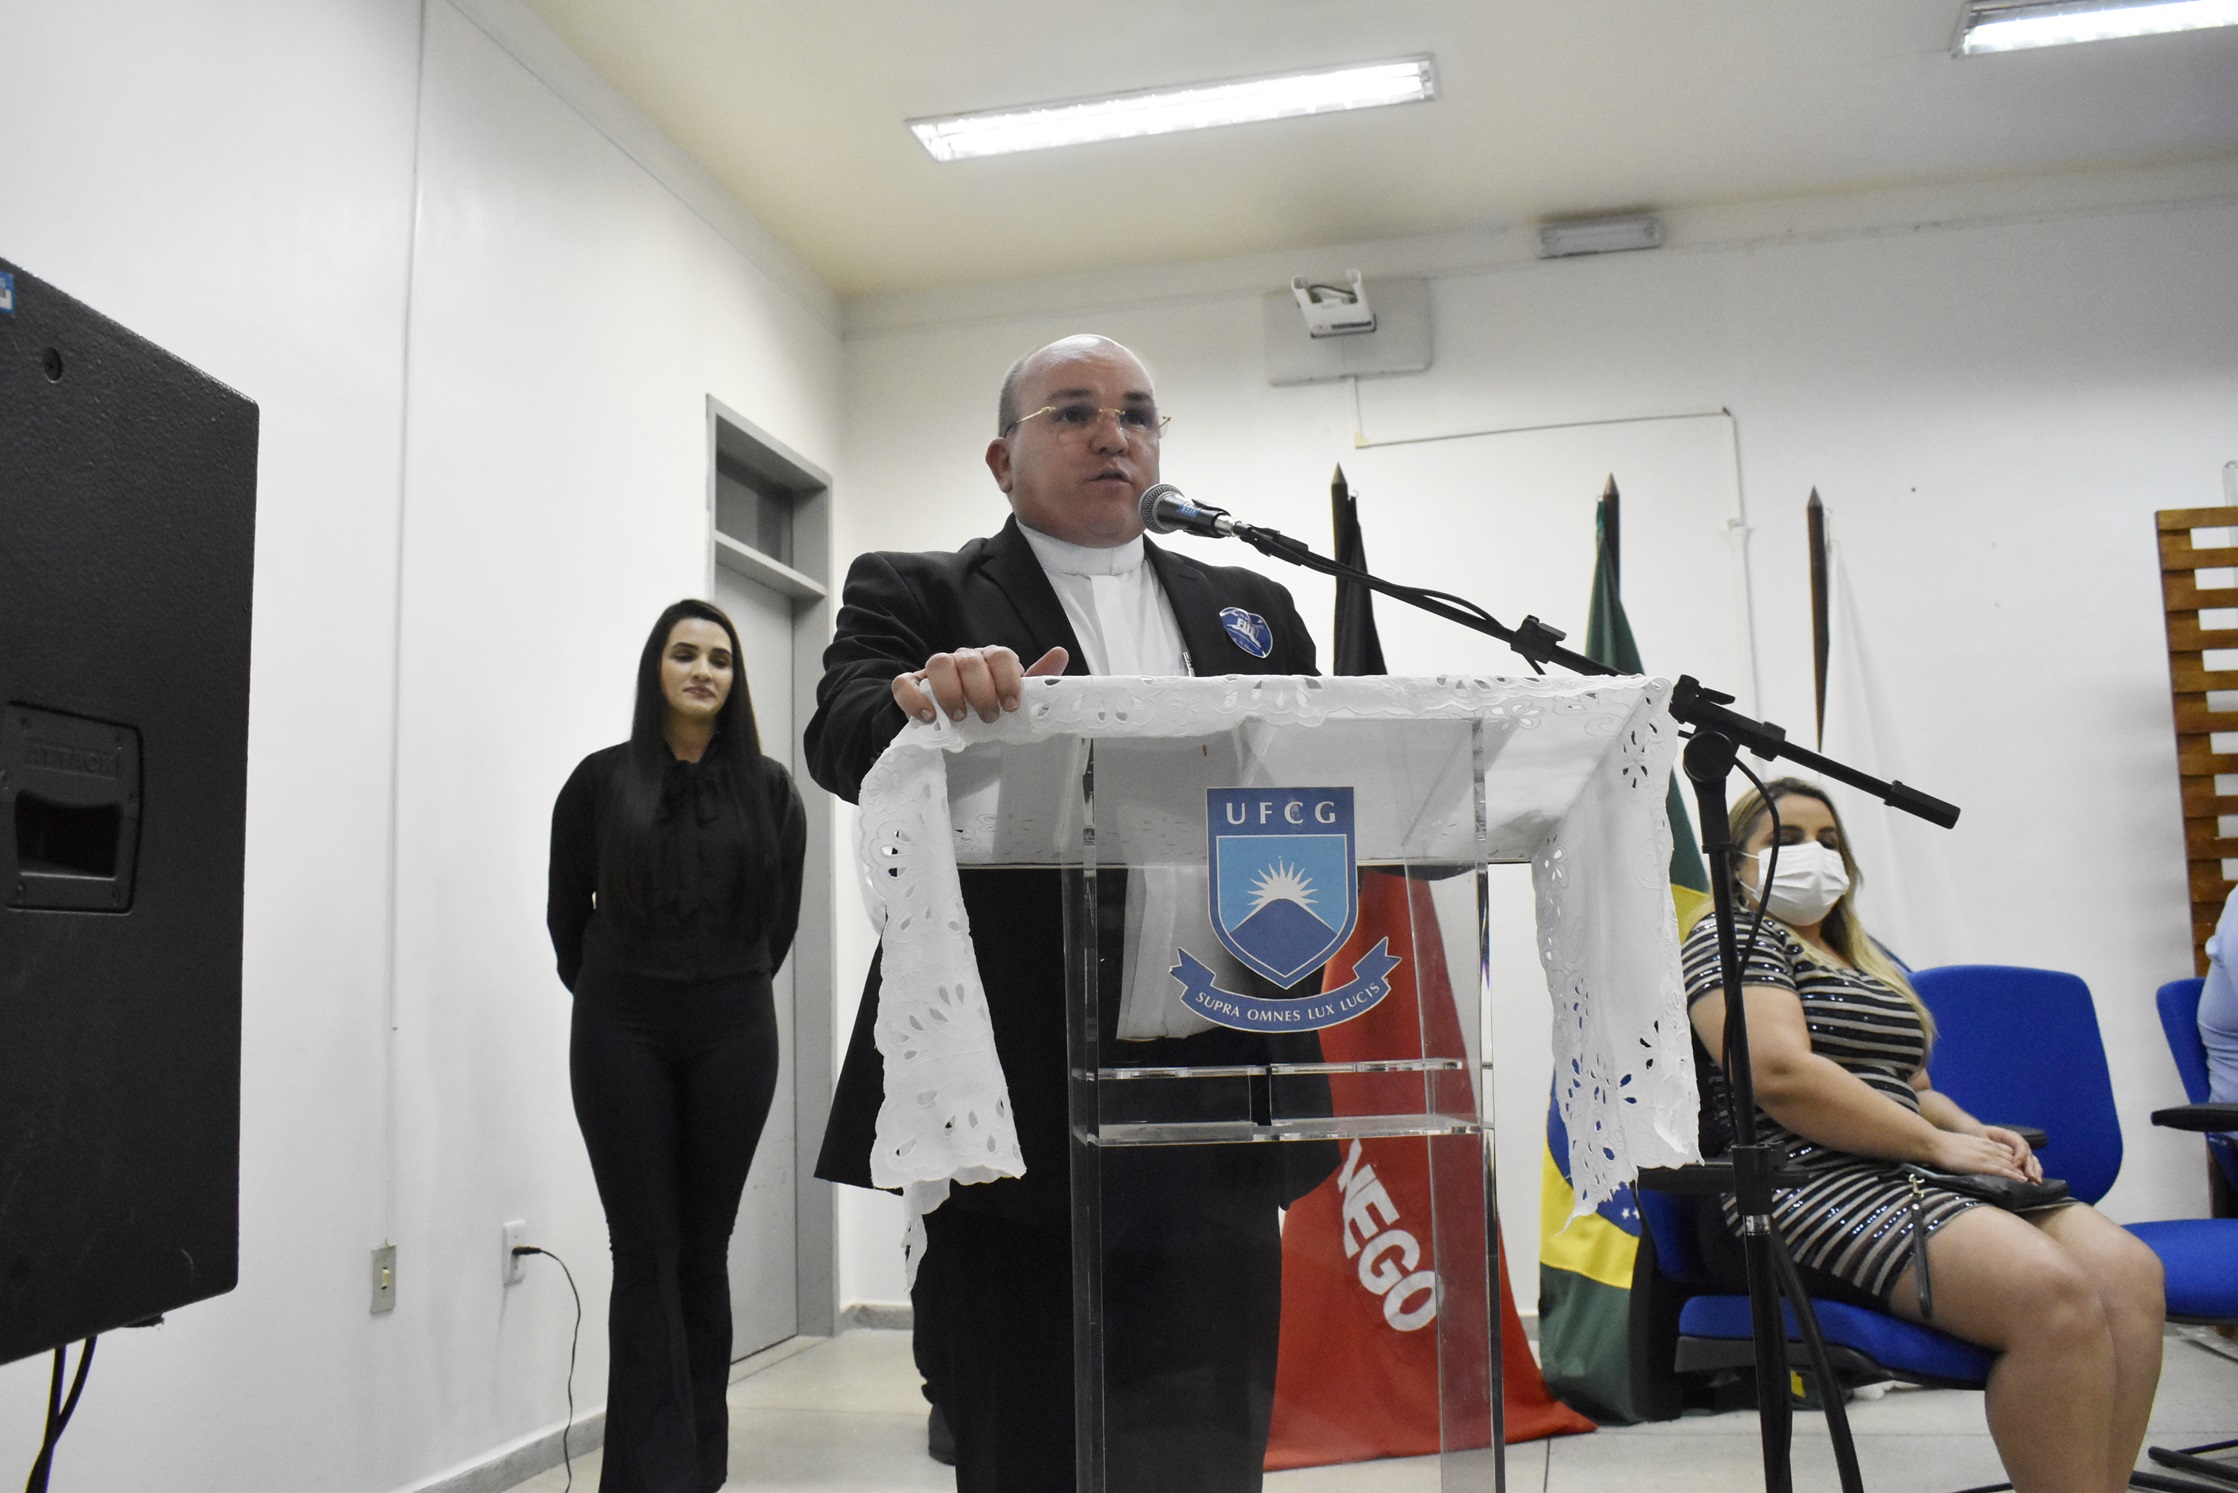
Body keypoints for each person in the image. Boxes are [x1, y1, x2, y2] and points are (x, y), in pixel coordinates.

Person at [806, 334, 1329, 1493]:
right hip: (1019, 1101)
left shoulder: (1252, 602)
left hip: (1215, 1091)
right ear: (1003, 459)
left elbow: (1325, 780)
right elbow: (841, 732)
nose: (1114, 433)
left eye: (1137, 412)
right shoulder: (922, 591)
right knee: (1024, 1442)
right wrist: (923, 701)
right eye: (1075, 410)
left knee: (1208, 1452)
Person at [1682, 778, 2164, 1493]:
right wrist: (1936, 1146)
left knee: (2129, 1273)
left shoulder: (1865, 959)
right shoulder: (1731, 939)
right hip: (1804, 1179)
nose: (1813, 853)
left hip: (1906, 1165)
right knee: (2051, 1294)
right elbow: (1779, 1073)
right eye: (1785, 839)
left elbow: (1915, 1088)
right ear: (1734, 861)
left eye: (1828, 840)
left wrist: (1975, 1133)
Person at [548, 599, 808, 1493]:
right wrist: (619, 993)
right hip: (621, 1027)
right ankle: (647, 1479)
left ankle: (696, 1473)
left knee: (702, 1250)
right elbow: (565, 918)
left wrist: (723, 986)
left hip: (734, 1029)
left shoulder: (771, 790)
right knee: (644, 1252)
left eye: (720, 659)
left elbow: (778, 925)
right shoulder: (598, 782)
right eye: (685, 653)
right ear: (655, 669)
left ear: (735, 680)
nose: (704, 670)